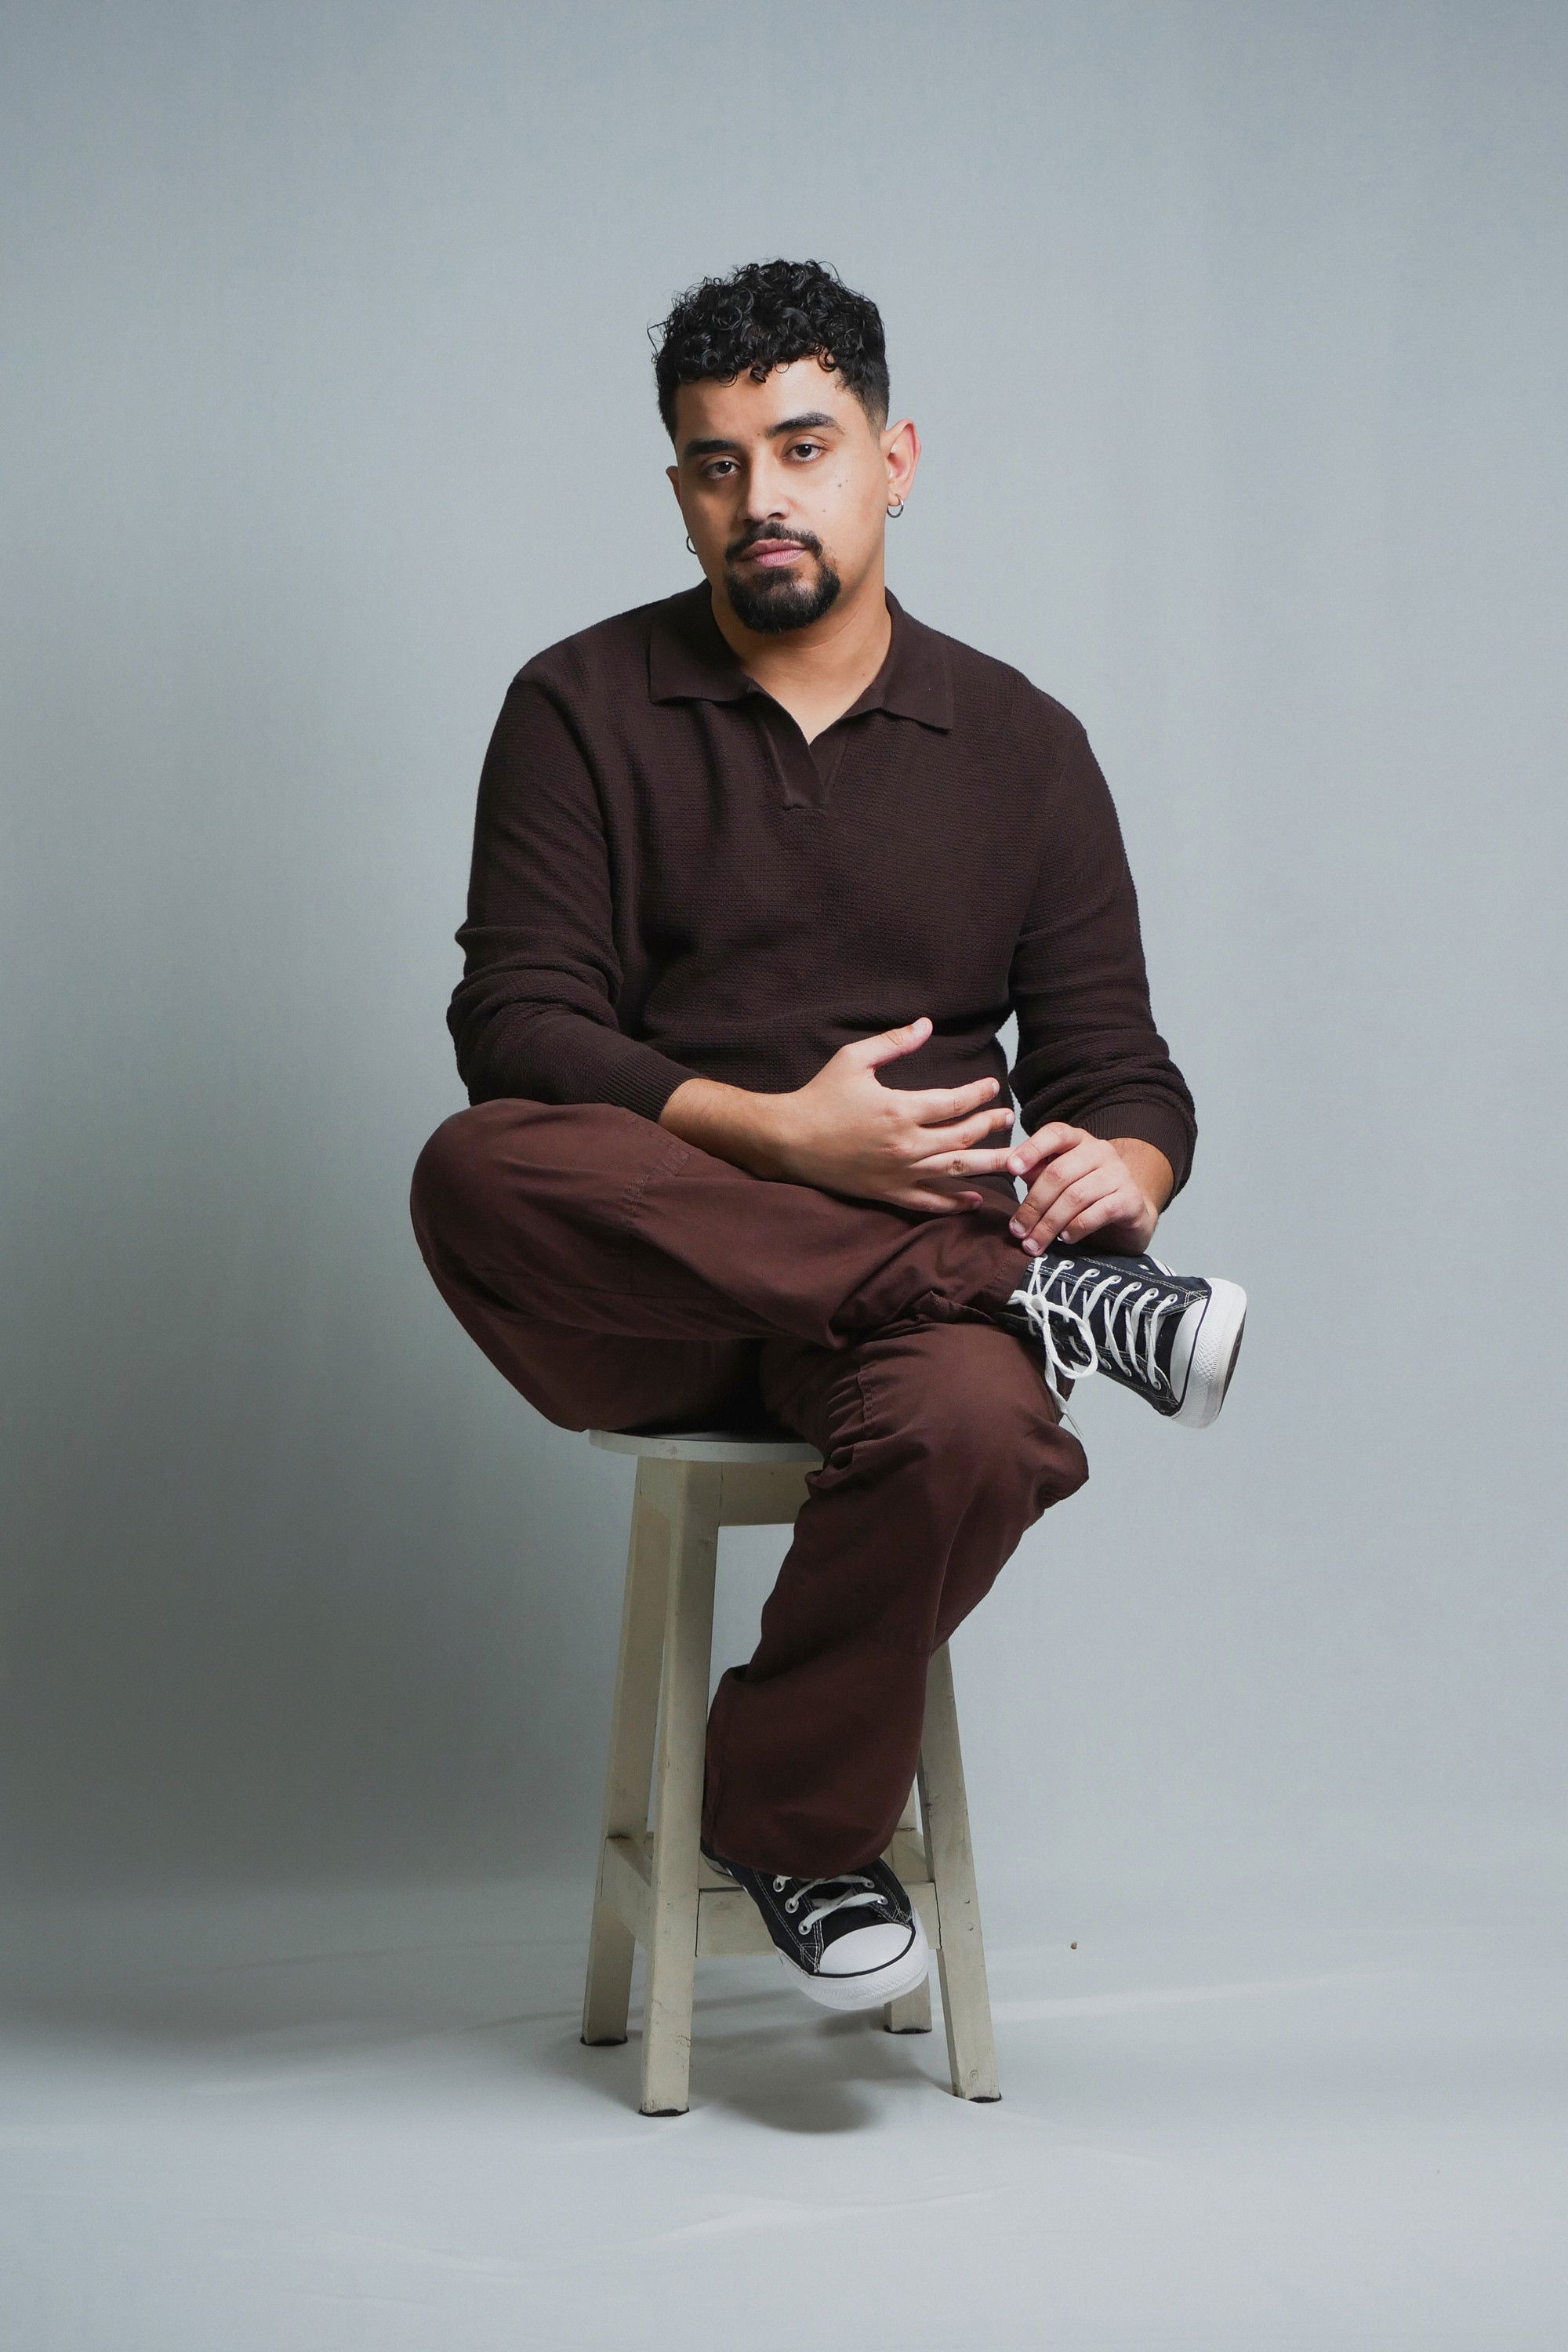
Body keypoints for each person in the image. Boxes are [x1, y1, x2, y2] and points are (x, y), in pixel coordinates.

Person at [411, 258, 1245, 2015]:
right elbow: (517, 1025)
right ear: (679, 490)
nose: (761, 499)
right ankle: (1025, 1294)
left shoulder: (1023, 746)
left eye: (802, 449)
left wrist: (1127, 1170)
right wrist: (788, 1140)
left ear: (894, 459)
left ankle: (792, 1827)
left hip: (888, 1337)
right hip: (652, 1295)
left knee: (976, 1421)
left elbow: (1121, 1069)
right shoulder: (577, 705)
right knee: (473, 1168)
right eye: (718, 465)